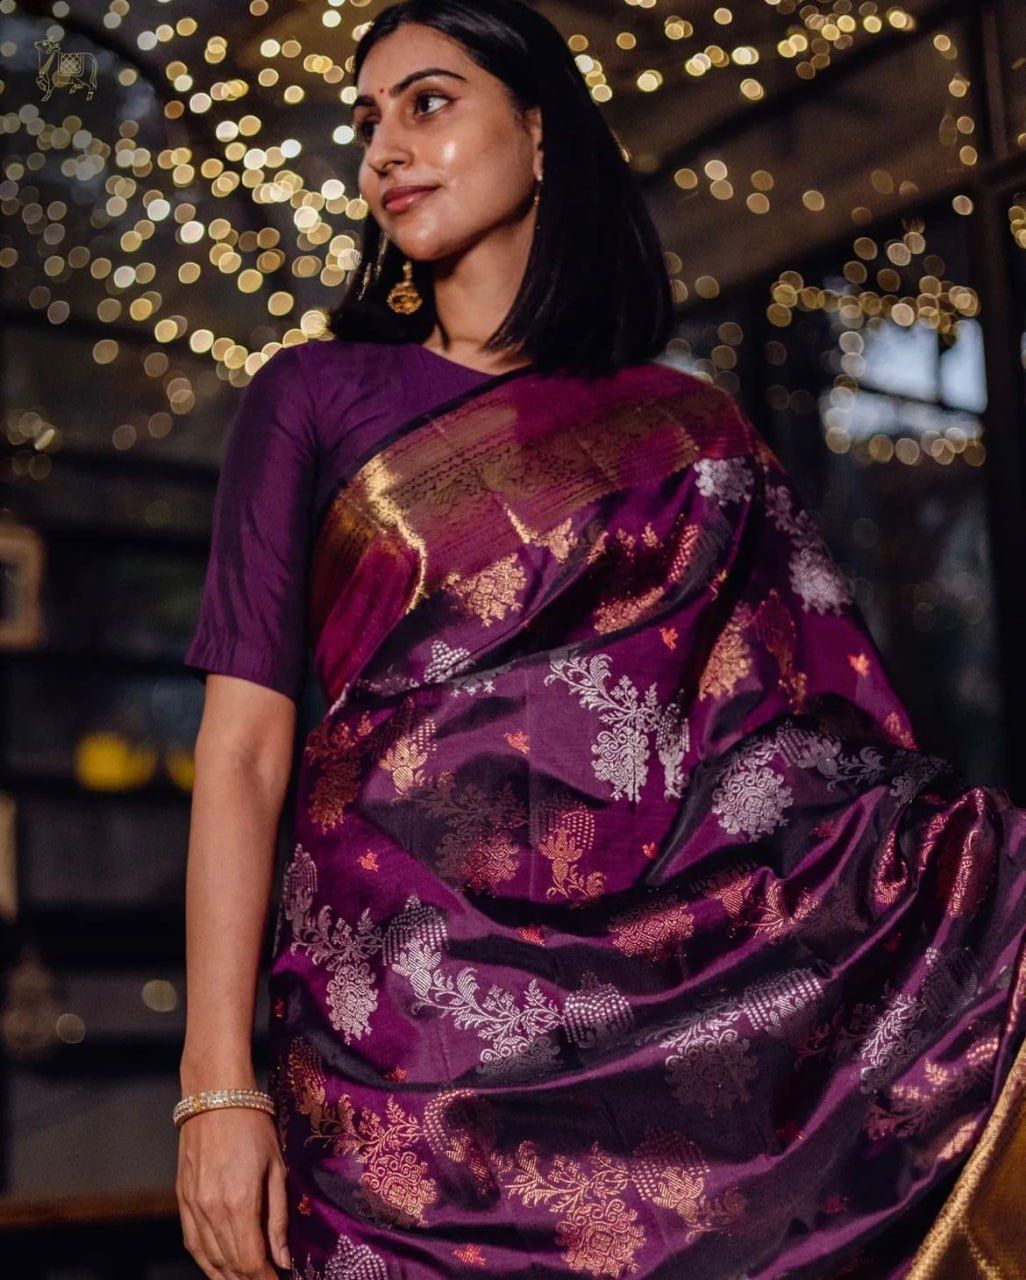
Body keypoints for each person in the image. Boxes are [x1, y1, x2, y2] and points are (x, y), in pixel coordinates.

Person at [175, 2, 1026, 1278]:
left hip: (662, 1026)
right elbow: (243, 753)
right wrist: (215, 1086)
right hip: (394, 1054)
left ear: (540, 132)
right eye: (367, 120)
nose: (384, 149)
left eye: (428, 101)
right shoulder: (314, 396)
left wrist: (970, 884)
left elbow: (802, 743)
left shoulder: (691, 430)